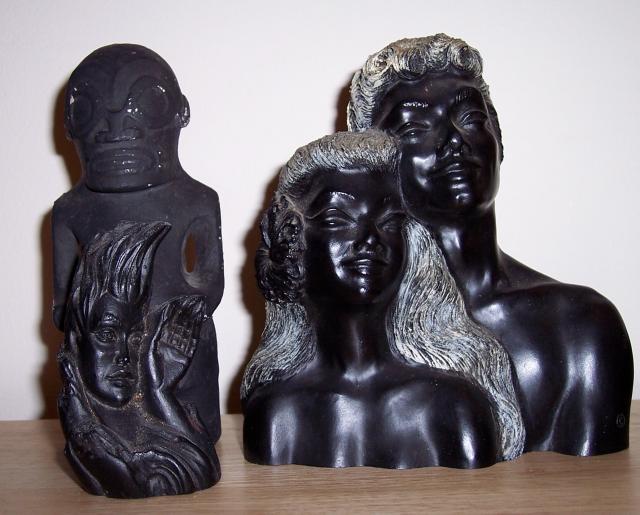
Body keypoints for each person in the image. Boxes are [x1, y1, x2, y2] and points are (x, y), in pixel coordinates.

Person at [348, 34, 633, 455]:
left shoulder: (580, 329)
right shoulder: (350, 339)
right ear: (373, 165)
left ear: (499, 140)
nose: (453, 140)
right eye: (415, 127)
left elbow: (593, 484)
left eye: (469, 118)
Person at [242, 131, 525, 469]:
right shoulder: (276, 413)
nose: (369, 239)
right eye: (338, 219)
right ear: (291, 242)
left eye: (389, 222)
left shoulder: (453, 408)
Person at [53, 44, 223, 440]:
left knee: (190, 416)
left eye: (144, 103)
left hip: (175, 341)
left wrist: (178, 320)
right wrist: (98, 325)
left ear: (181, 113)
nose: (115, 128)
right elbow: (62, 305)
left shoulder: (197, 200)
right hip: (103, 349)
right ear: (71, 127)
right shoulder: (70, 210)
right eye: (90, 110)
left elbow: (210, 286)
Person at [58, 221, 220, 498]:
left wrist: (159, 391)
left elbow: (205, 469)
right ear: (76, 340)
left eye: (134, 339)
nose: (124, 356)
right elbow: (143, 479)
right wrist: (83, 433)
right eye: (107, 335)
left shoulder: (147, 422)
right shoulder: (89, 437)